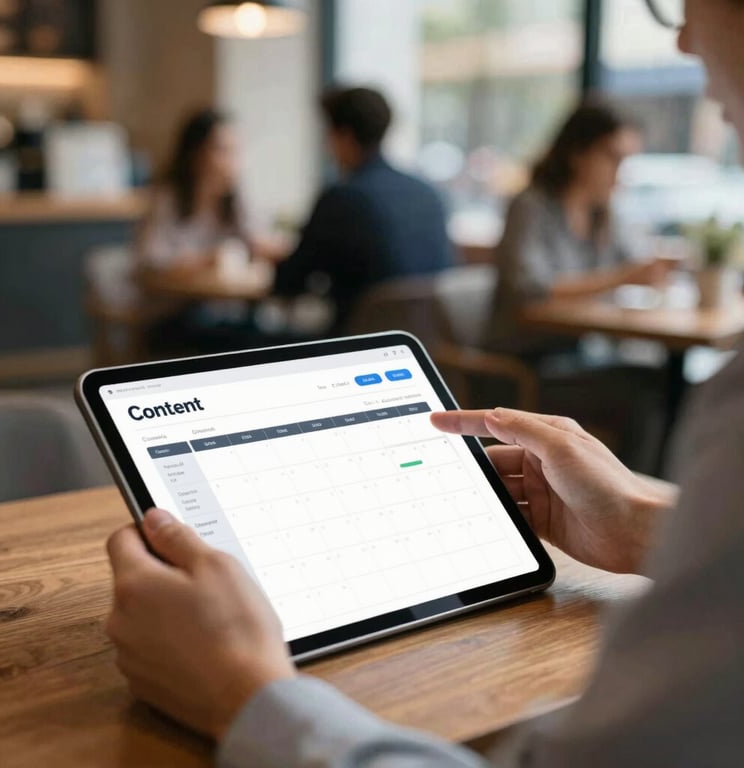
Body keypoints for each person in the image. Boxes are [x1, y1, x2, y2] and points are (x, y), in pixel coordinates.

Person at [106, 2, 743, 766]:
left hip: (339, 343)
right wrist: (645, 524)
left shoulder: (343, 195)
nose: (677, 34)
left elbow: (292, 277)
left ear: (340, 136)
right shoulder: (424, 189)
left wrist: (243, 693)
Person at [490, 101, 670, 356]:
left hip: (585, 347)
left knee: (651, 366)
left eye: (626, 161)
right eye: (612, 158)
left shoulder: (603, 213)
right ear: (577, 153)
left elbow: (635, 263)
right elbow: (531, 290)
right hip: (533, 357)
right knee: (645, 379)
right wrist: (623, 277)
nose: (620, 173)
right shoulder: (530, 206)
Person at [272, 86, 453, 332]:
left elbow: (289, 283)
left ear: (344, 136)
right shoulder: (428, 192)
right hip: (426, 344)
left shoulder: (343, 197)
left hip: (356, 346)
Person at [137, 108, 260, 352]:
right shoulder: (168, 199)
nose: (231, 160)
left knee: (256, 333)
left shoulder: (233, 200)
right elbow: (151, 262)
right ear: (195, 153)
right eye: (222, 150)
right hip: (173, 314)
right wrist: (207, 260)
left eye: (234, 151)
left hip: (225, 310)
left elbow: (255, 243)